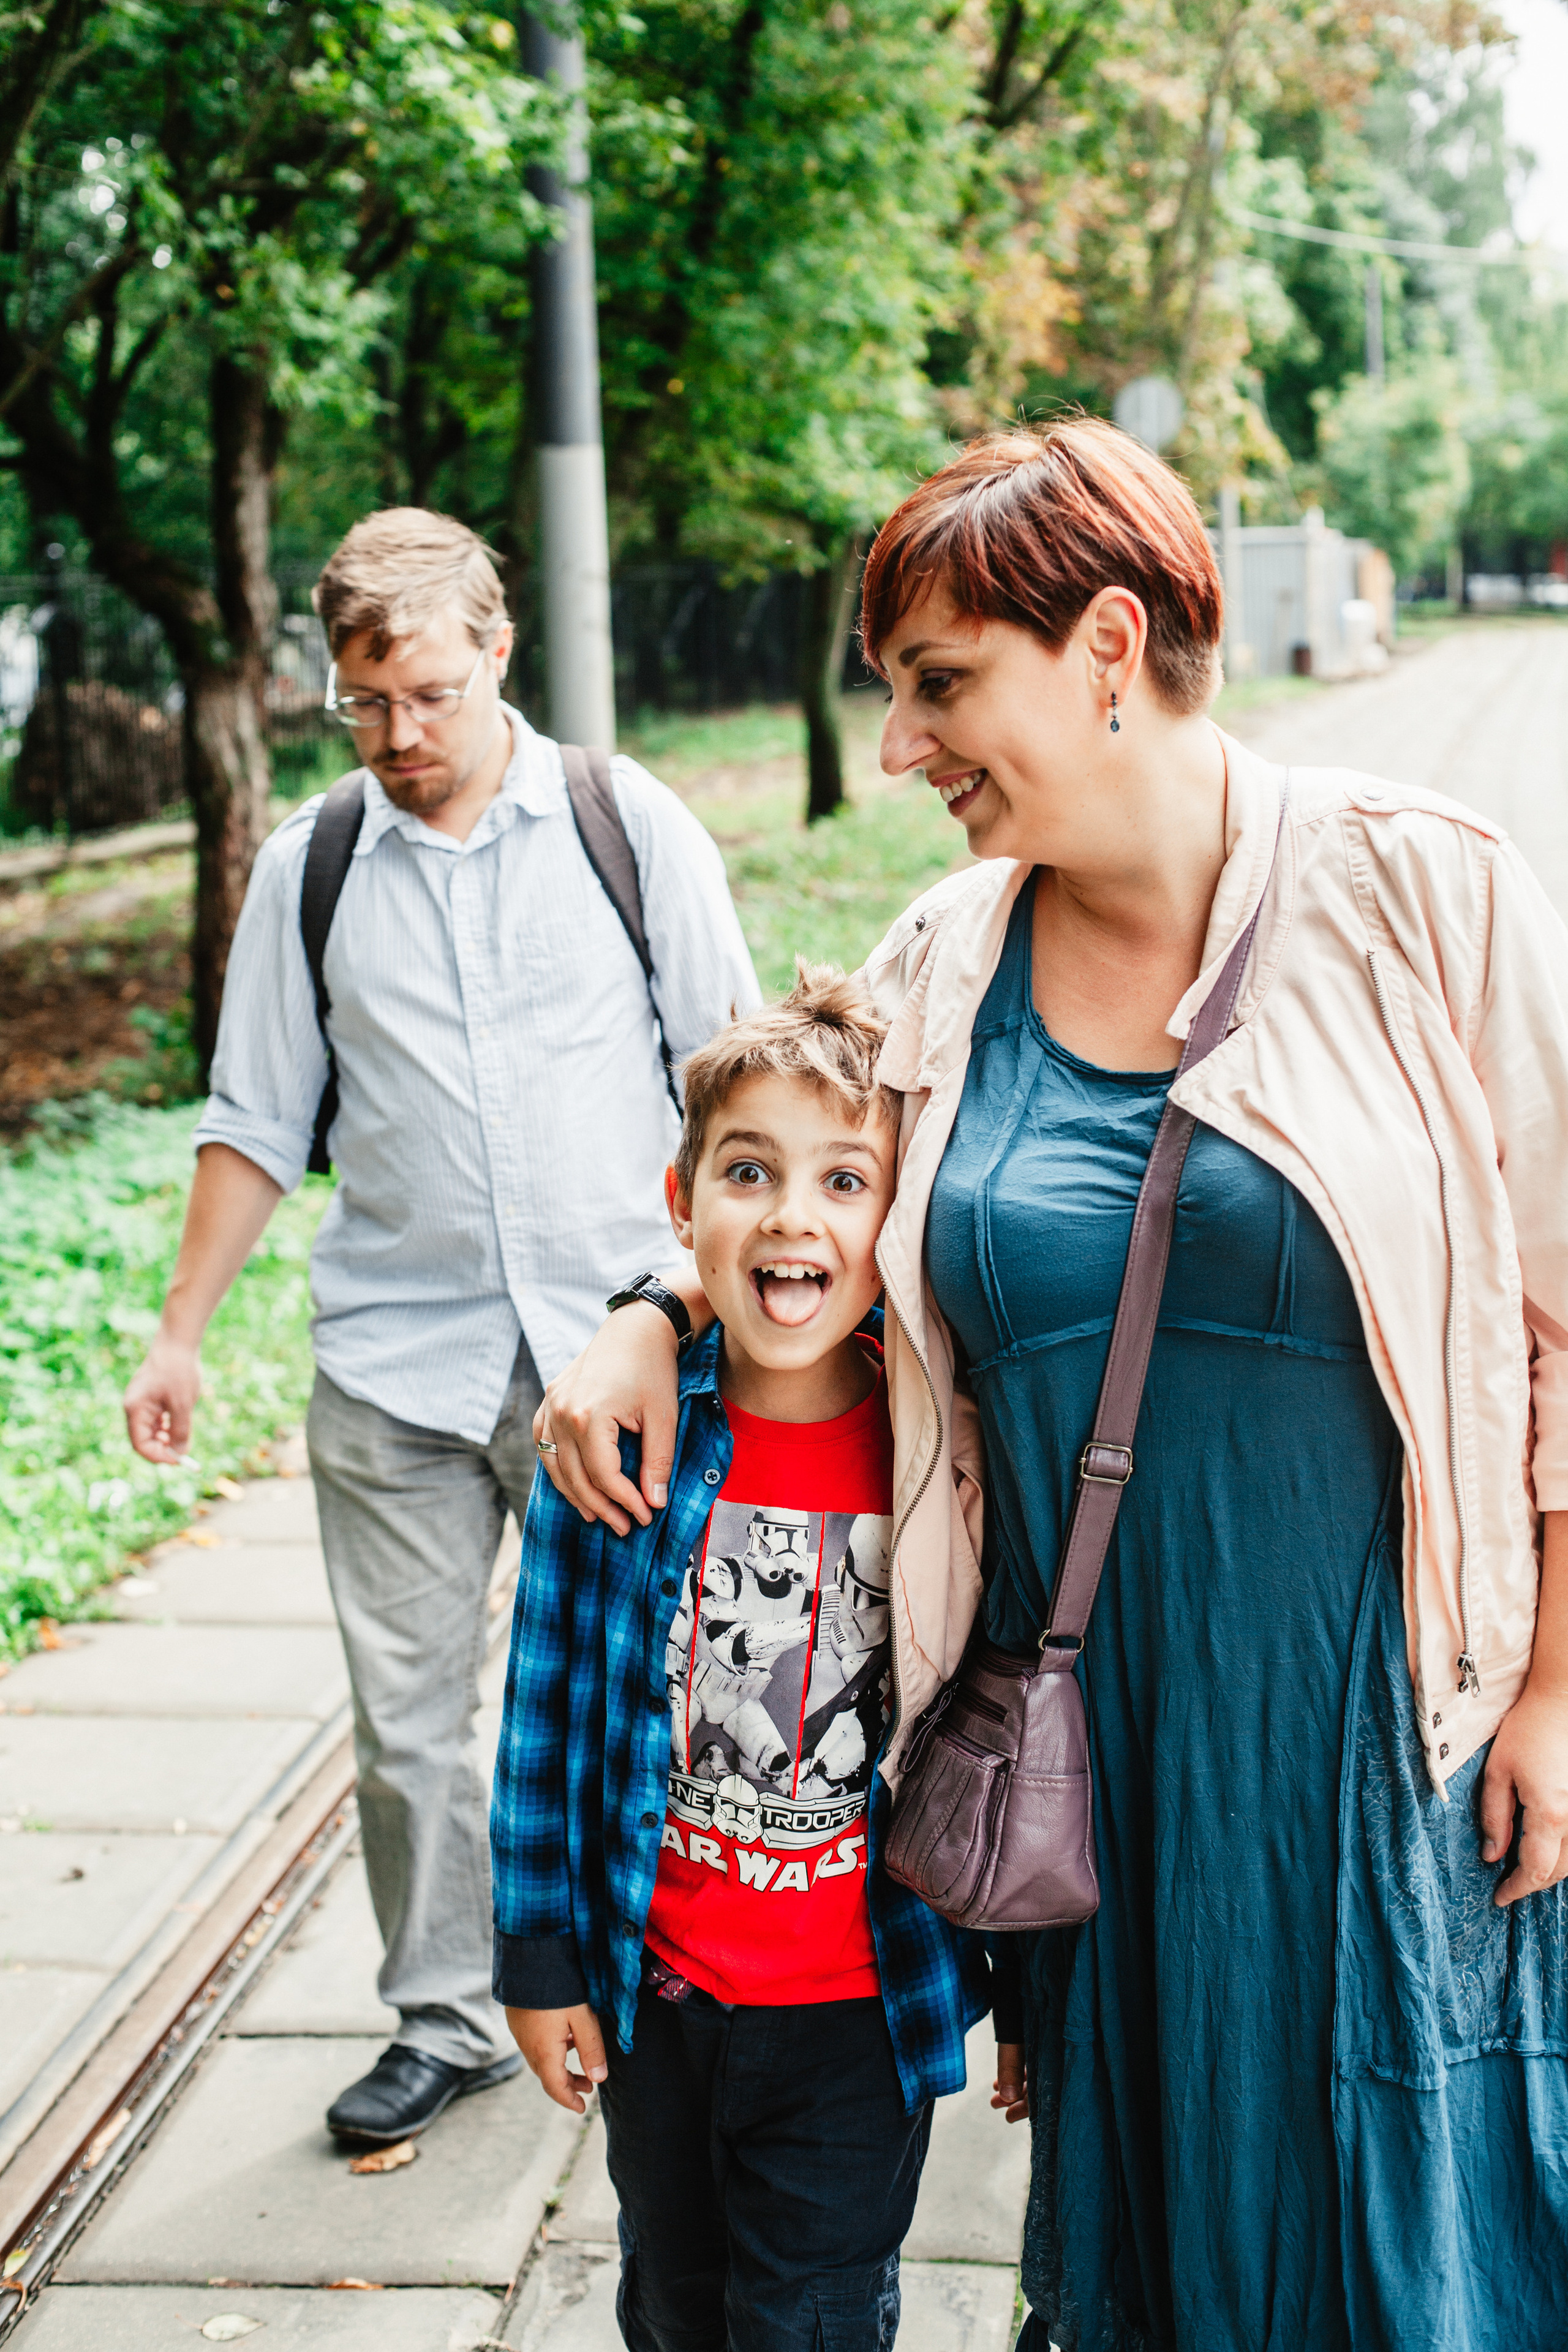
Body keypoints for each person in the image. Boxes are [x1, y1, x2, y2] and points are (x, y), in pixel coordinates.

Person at [529, 423, 1568, 2348]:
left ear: (1104, 647)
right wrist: (640, 1315)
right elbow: (791, 1214)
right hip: (1081, 1745)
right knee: (1154, 2247)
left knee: (1399, 2228)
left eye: (940, 684)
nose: (907, 744)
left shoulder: (1431, 892)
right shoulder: (945, 957)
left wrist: (1565, 1696)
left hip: (1374, 1727)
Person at [123, 508, 758, 2150]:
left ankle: (659, 1980)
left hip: (618, 1356)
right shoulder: (315, 863)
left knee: (647, 1696)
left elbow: (736, 1085)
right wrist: (180, 1328)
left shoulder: (631, 827)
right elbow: (258, 1114)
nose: (398, 738)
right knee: (411, 1729)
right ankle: (445, 2016)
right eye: (362, 704)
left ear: (494, 651)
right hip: (395, 1365)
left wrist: (734, 1314)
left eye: (423, 695)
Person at [491, 970, 993, 2352]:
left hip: (858, 2012)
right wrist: (537, 1960)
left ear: (894, 1221)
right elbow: (541, 1716)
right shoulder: (618, 1440)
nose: (790, 1215)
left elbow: (1008, 1724)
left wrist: (1035, 1998)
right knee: (674, 2301)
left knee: (812, 2320)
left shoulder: (947, 1444)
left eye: (845, 1180)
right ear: (681, 1199)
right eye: (747, 1171)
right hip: (659, 1997)